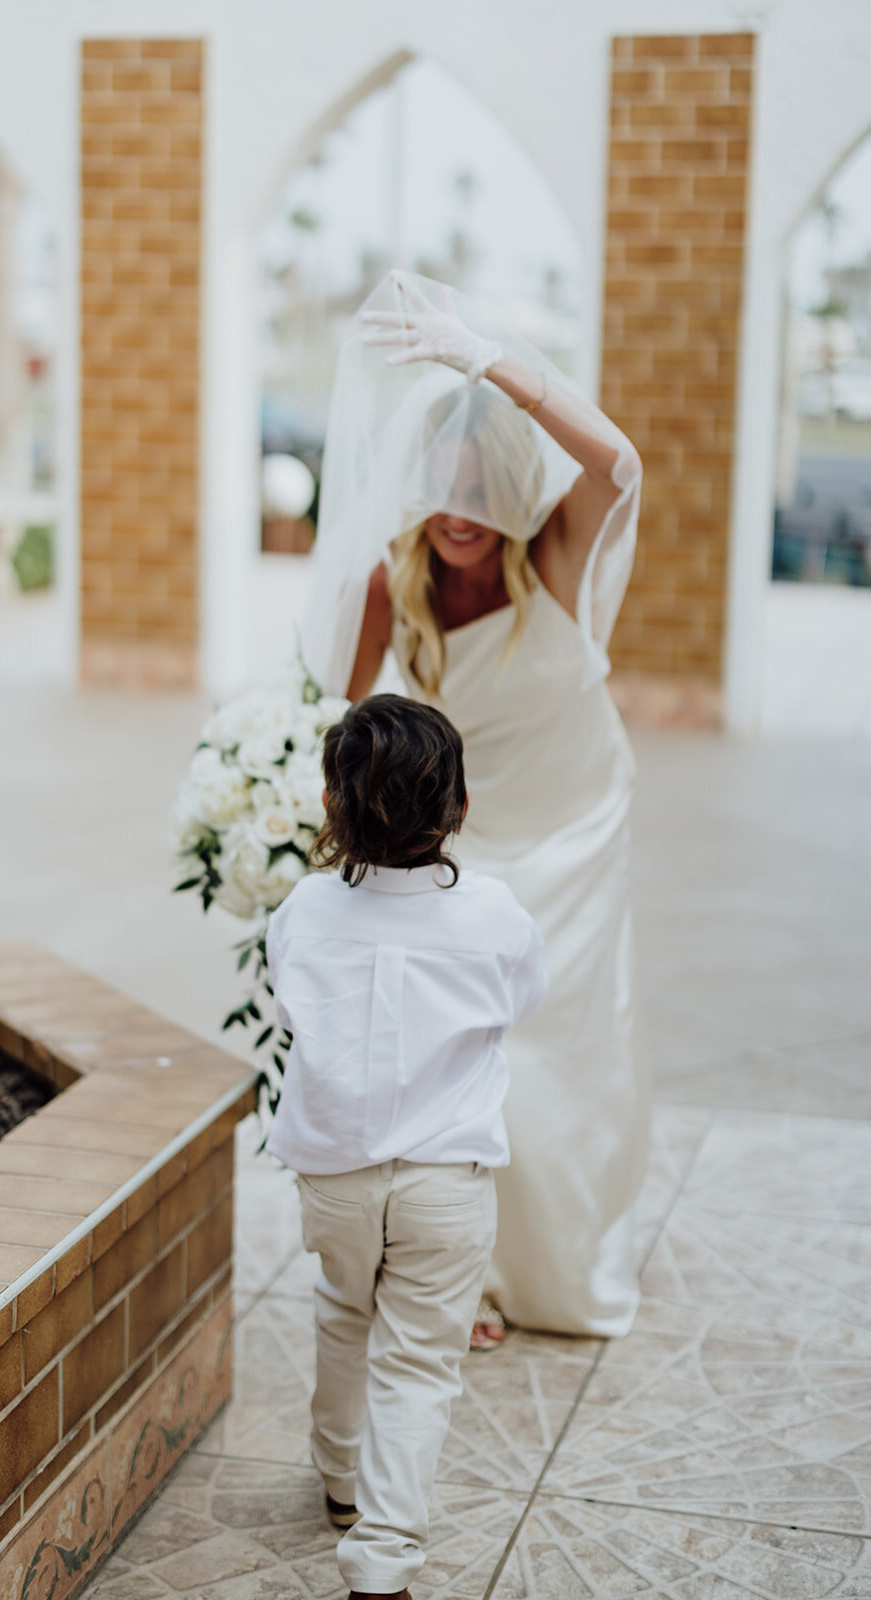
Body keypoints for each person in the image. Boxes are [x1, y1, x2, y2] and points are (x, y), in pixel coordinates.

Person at [301, 271, 650, 1344]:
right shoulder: (385, 581)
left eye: (478, 493)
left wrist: (478, 354)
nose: (456, 518)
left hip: (576, 823)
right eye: (436, 491)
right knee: (458, 1050)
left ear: (510, 490)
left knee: (559, 1047)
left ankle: (555, 1253)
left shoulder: (553, 556)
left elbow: (618, 461)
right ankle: (464, 1275)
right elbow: (341, 726)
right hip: (459, 842)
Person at [265, 694, 547, 1600]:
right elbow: (521, 1002)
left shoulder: (304, 911)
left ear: (330, 806)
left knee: (344, 1310)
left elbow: (289, 1011)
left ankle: (340, 1479)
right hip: (445, 1181)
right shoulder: (496, 914)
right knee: (421, 1360)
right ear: (457, 808)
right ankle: (382, 1563)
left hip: (335, 1173)